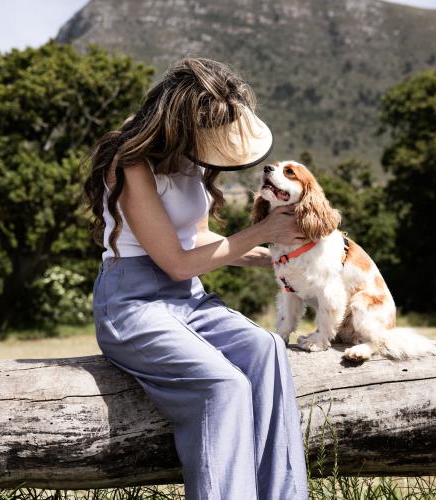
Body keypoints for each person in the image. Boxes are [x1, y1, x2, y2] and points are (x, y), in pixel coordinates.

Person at [83, 57, 310, 500]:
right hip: (131, 305)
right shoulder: (130, 163)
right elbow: (177, 262)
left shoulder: (190, 159)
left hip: (189, 299)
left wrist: (276, 257)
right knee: (222, 384)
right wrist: (262, 230)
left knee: (266, 351)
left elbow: (199, 237)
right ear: (182, 118)